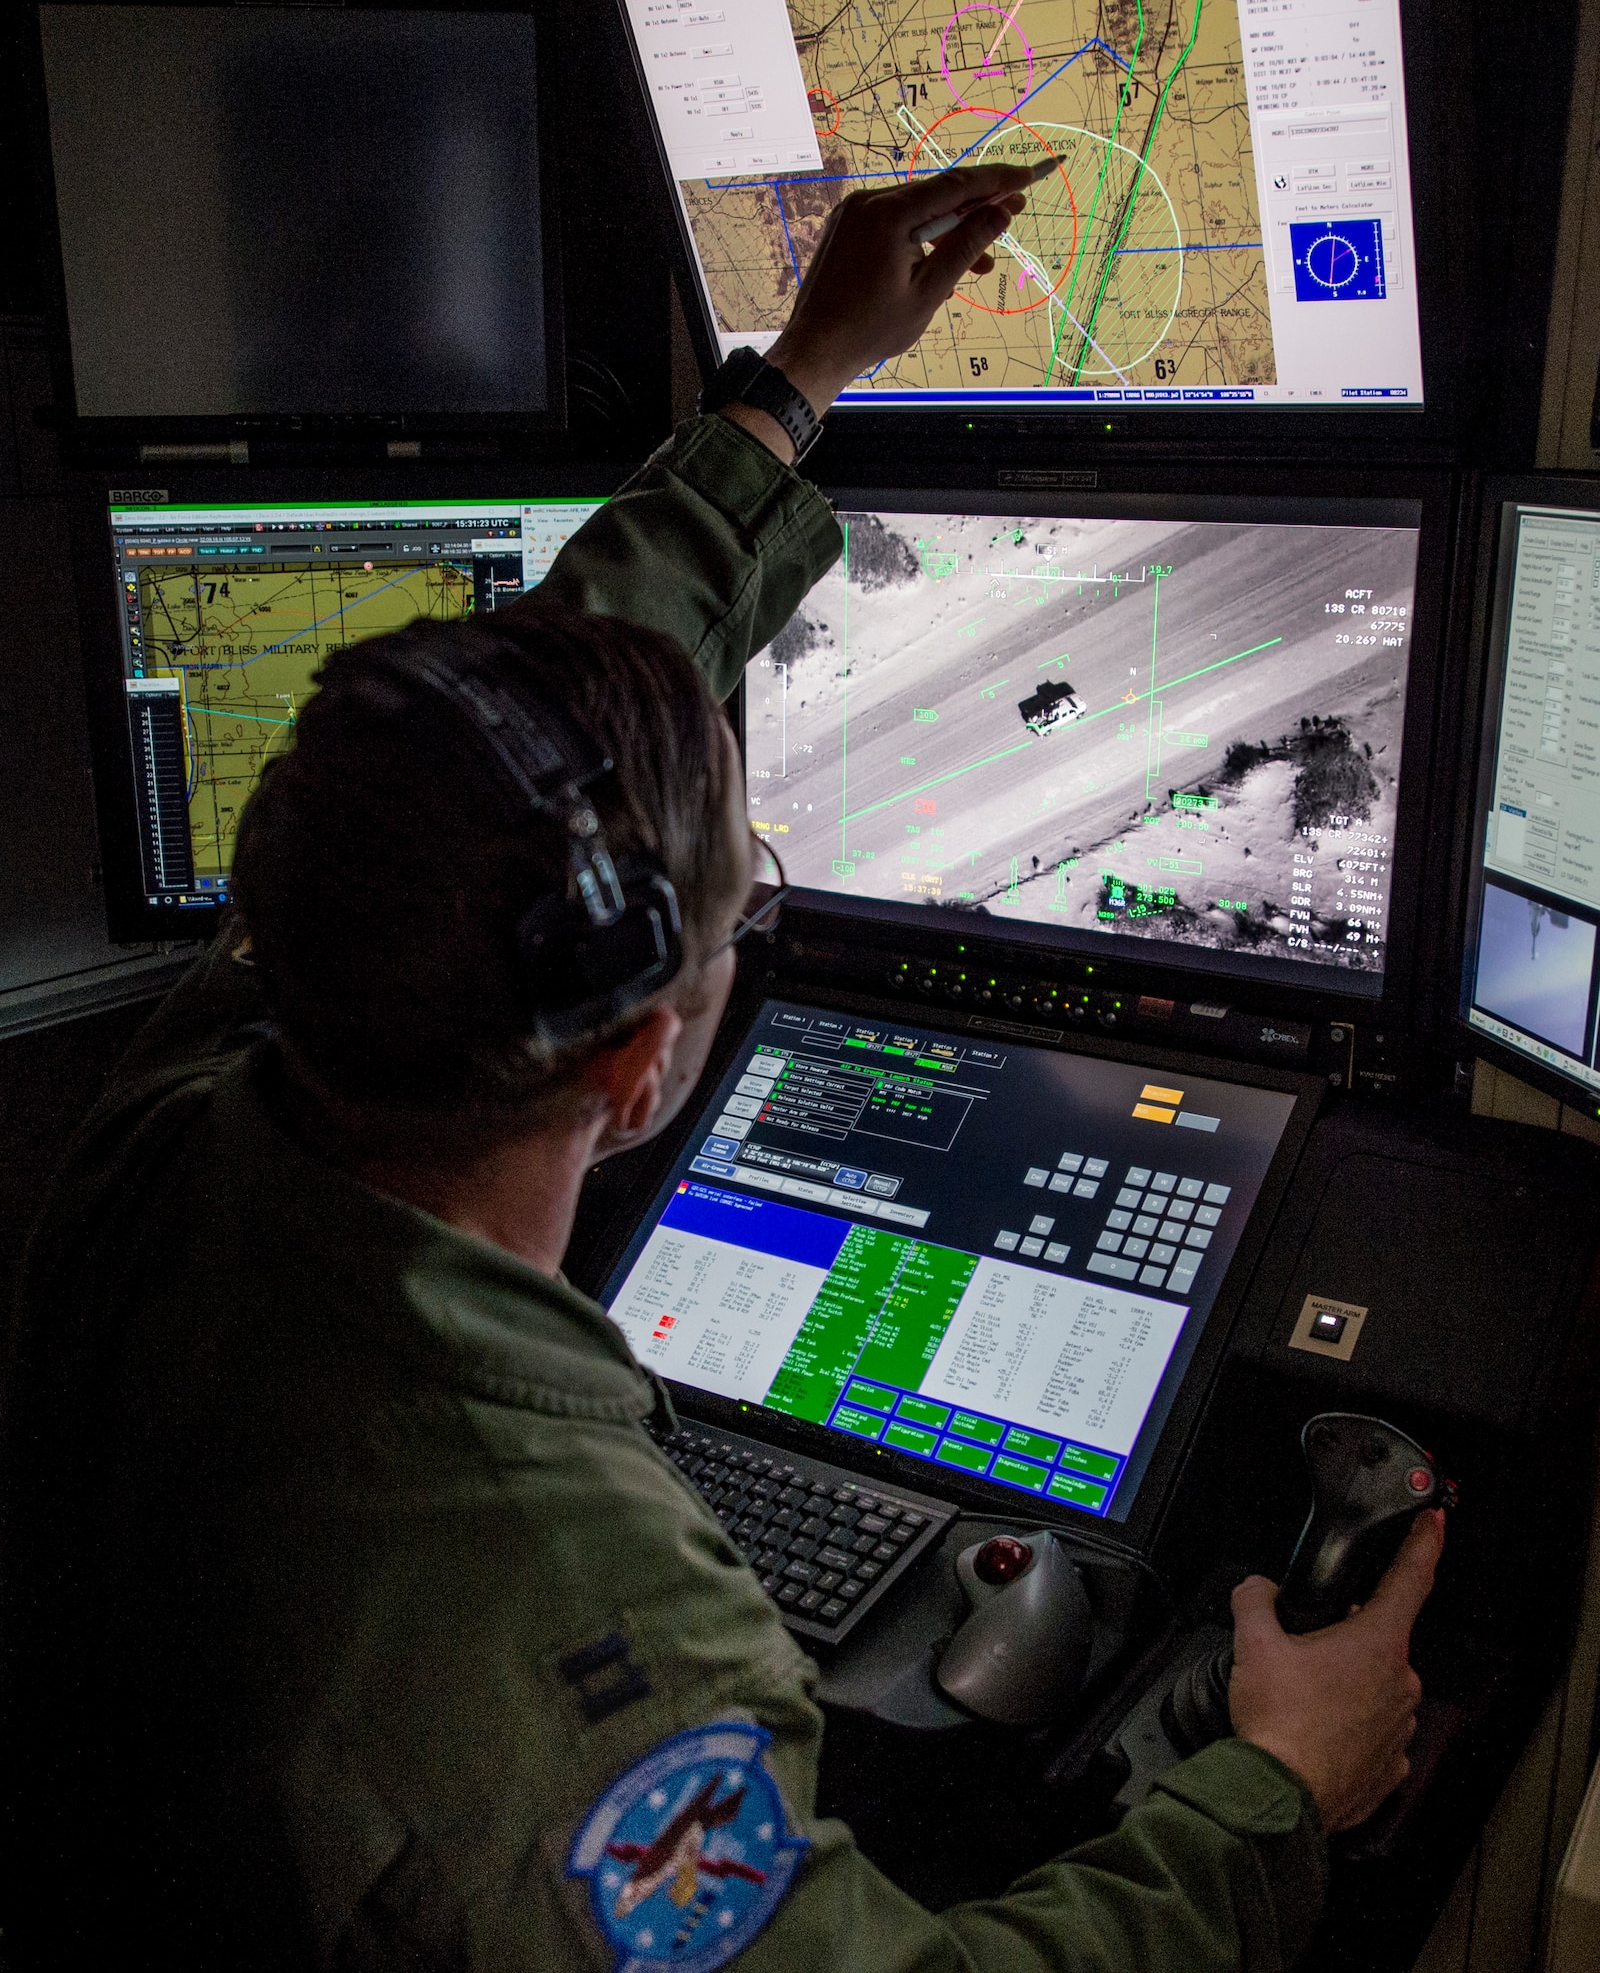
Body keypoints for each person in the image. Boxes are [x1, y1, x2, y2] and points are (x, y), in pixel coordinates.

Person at [0, 161, 1442, 1972]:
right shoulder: (570, 1617)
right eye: (737, 904)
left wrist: (793, 384)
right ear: (636, 1064)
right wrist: (1280, 1794)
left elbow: (530, 696)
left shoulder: (191, 1110)